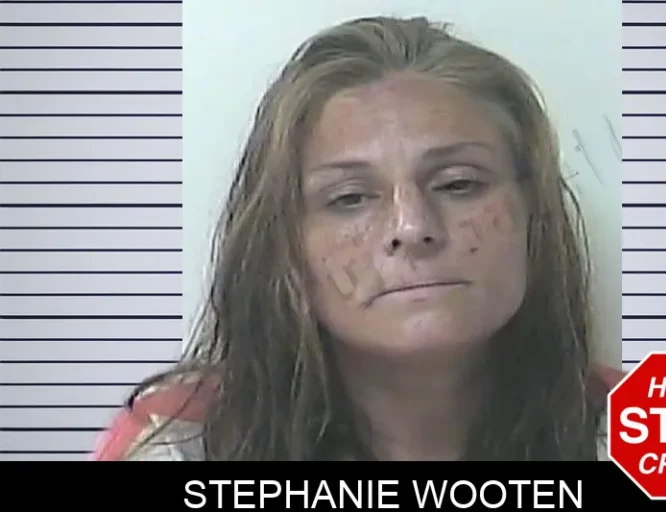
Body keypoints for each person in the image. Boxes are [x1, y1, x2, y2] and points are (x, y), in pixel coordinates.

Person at [92, 15, 624, 462]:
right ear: (284, 245)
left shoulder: (649, 431)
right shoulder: (182, 441)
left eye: (459, 184)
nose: (412, 227)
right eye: (350, 198)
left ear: (533, 212)